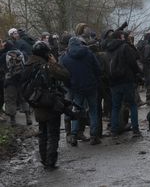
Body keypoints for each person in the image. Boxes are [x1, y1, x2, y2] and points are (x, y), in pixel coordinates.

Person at [21, 41, 71, 170]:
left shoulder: (27, 65)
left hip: (36, 102)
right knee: (53, 134)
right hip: (50, 102)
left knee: (42, 132)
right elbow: (65, 75)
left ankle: (44, 160)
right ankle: (50, 162)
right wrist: (54, 63)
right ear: (45, 53)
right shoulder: (46, 66)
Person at [60, 37, 102, 146]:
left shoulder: (65, 58)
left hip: (76, 88)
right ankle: (94, 136)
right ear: (80, 44)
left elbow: (63, 75)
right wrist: (97, 82)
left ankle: (73, 135)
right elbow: (98, 69)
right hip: (91, 87)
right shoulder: (88, 53)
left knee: (76, 111)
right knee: (93, 111)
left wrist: (70, 86)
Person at [106, 31, 142, 137]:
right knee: (132, 105)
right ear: (119, 37)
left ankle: (114, 130)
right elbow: (132, 62)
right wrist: (139, 73)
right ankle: (135, 129)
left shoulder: (108, 48)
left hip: (113, 82)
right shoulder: (125, 47)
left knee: (115, 106)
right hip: (127, 80)